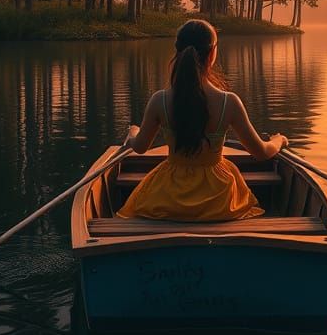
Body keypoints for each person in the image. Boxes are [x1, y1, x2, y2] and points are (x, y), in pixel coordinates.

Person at [118, 18, 288, 221]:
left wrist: (133, 132)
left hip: (169, 201)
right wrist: (279, 140)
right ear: (212, 53)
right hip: (218, 203)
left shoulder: (159, 100)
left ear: (177, 51)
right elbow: (261, 153)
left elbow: (139, 147)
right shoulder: (229, 102)